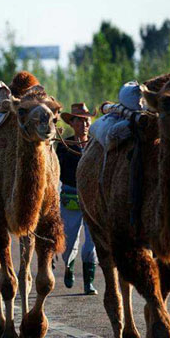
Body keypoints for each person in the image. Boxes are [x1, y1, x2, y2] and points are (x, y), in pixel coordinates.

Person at [57, 103, 98, 295]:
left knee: (92, 241)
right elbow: (56, 171)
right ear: (72, 123)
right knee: (68, 239)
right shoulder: (64, 146)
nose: (84, 124)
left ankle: (89, 282)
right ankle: (68, 266)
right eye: (80, 120)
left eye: (87, 120)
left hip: (92, 197)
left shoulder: (96, 145)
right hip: (70, 195)